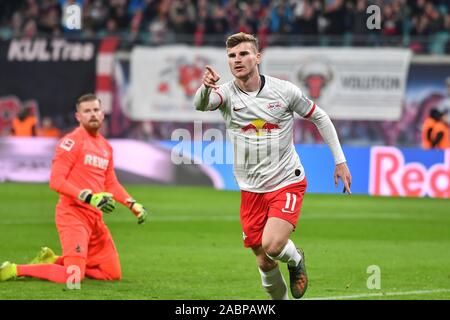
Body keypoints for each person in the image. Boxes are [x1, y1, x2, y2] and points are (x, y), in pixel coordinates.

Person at [194, 32, 351, 300]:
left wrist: (340, 160)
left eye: (243, 54)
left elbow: (320, 117)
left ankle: (296, 259)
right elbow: (201, 104)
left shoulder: (284, 91)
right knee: (264, 261)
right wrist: (205, 86)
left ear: (257, 57)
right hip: (250, 188)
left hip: (286, 180)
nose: (237, 60)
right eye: (231, 56)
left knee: (273, 245)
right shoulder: (226, 94)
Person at [0, 93, 149, 284]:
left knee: (112, 274)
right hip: (73, 215)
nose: (93, 114)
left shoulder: (105, 147)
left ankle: (54, 261)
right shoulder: (71, 142)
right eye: (87, 111)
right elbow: (56, 181)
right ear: (78, 117)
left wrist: (132, 204)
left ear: (102, 114)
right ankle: (14, 269)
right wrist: (88, 197)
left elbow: (110, 183)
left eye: (96, 110)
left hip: (95, 218)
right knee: (73, 278)